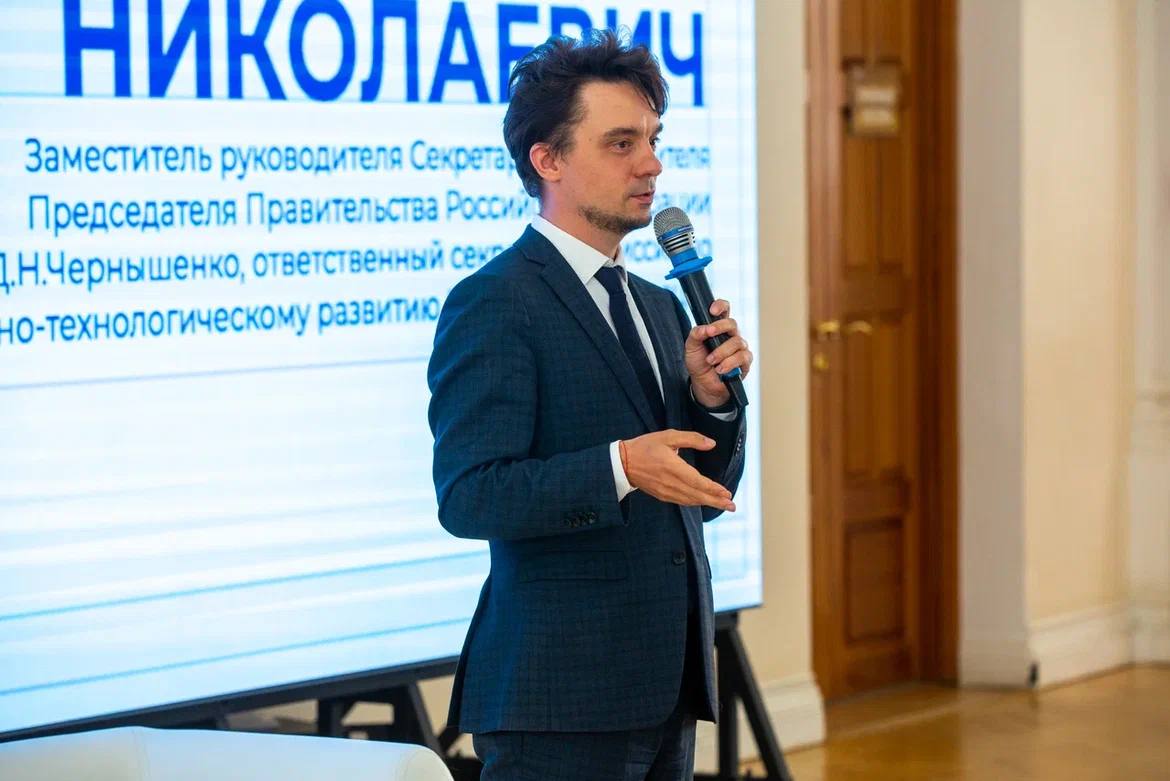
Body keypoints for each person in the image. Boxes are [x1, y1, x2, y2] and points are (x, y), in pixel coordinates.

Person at [426, 29, 753, 780]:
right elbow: (470, 496)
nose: (652, 164)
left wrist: (713, 405)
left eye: (652, 139)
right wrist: (619, 467)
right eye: (620, 143)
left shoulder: (662, 307)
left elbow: (703, 499)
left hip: (666, 687)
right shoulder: (496, 302)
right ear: (548, 160)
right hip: (558, 700)